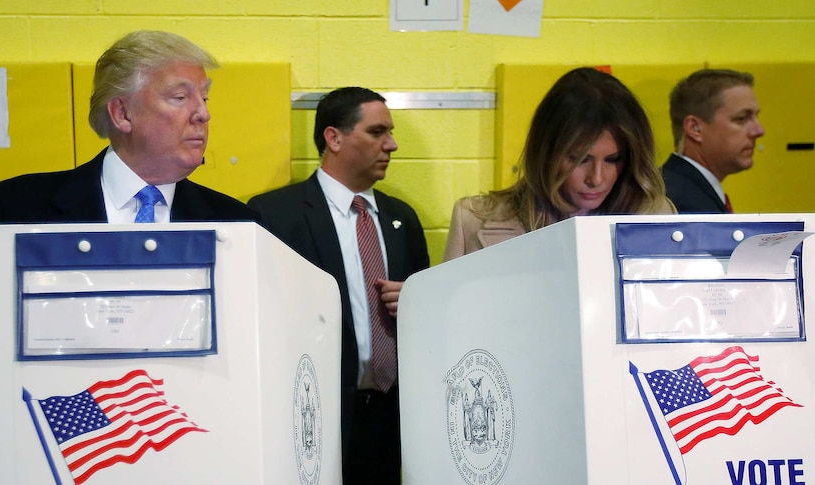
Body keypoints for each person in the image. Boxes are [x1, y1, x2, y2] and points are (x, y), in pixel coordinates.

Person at [247, 87, 429, 485]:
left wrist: (418, 303)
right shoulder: (275, 215)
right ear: (334, 138)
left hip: (391, 416)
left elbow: (425, 318)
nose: (392, 144)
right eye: (377, 132)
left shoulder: (402, 220)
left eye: (390, 132)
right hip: (314, 411)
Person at [0, 30, 258, 225]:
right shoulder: (15, 208)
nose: (203, 114)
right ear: (122, 113)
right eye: (180, 98)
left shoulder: (239, 223)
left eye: (205, 97)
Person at [444, 67, 674, 261]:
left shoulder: (658, 216)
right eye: (580, 159)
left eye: (613, 159)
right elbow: (448, 313)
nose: (596, 179)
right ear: (545, 153)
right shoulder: (472, 219)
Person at [661, 68, 765, 214]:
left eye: (755, 117)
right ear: (695, 128)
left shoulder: (685, 189)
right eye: (741, 119)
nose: (759, 131)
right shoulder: (679, 204)